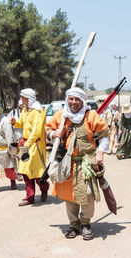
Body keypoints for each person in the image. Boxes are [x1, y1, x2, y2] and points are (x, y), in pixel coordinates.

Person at [45, 87, 110, 240]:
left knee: (87, 194)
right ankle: (74, 224)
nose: (73, 102)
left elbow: (105, 135)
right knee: (70, 196)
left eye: (77, 99)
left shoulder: (91, 116)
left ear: (82, 101)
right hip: (67, 163)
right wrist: (54, 134)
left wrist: (100, 152)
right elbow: (47, 129)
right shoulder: (61, 116)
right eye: (71, 99)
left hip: (87, 163)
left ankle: (86, 223)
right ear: (67, 100)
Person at [10, 88, 49, 206]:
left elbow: (37, 131)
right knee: (25, 172)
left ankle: (44, 187)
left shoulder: (38, 111)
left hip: (34, 145)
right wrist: (14, 122)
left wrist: (27, 145)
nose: (21, 99)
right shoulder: (25, 110)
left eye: (22, 97)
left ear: (28, 99)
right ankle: (30, 197)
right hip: (25, 143)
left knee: (37, 172)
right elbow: (21, 123)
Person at [7, 99, 25, 181]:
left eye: (24, 105)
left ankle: (24, 172)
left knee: (24, 155)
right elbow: (8, 123)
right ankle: (19, 173)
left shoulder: (28, 112)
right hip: (15, 137)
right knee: (17, 155)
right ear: (19, 105)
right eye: (21, 105)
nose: (23, 106)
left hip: (25, 137)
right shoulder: (13, 113)